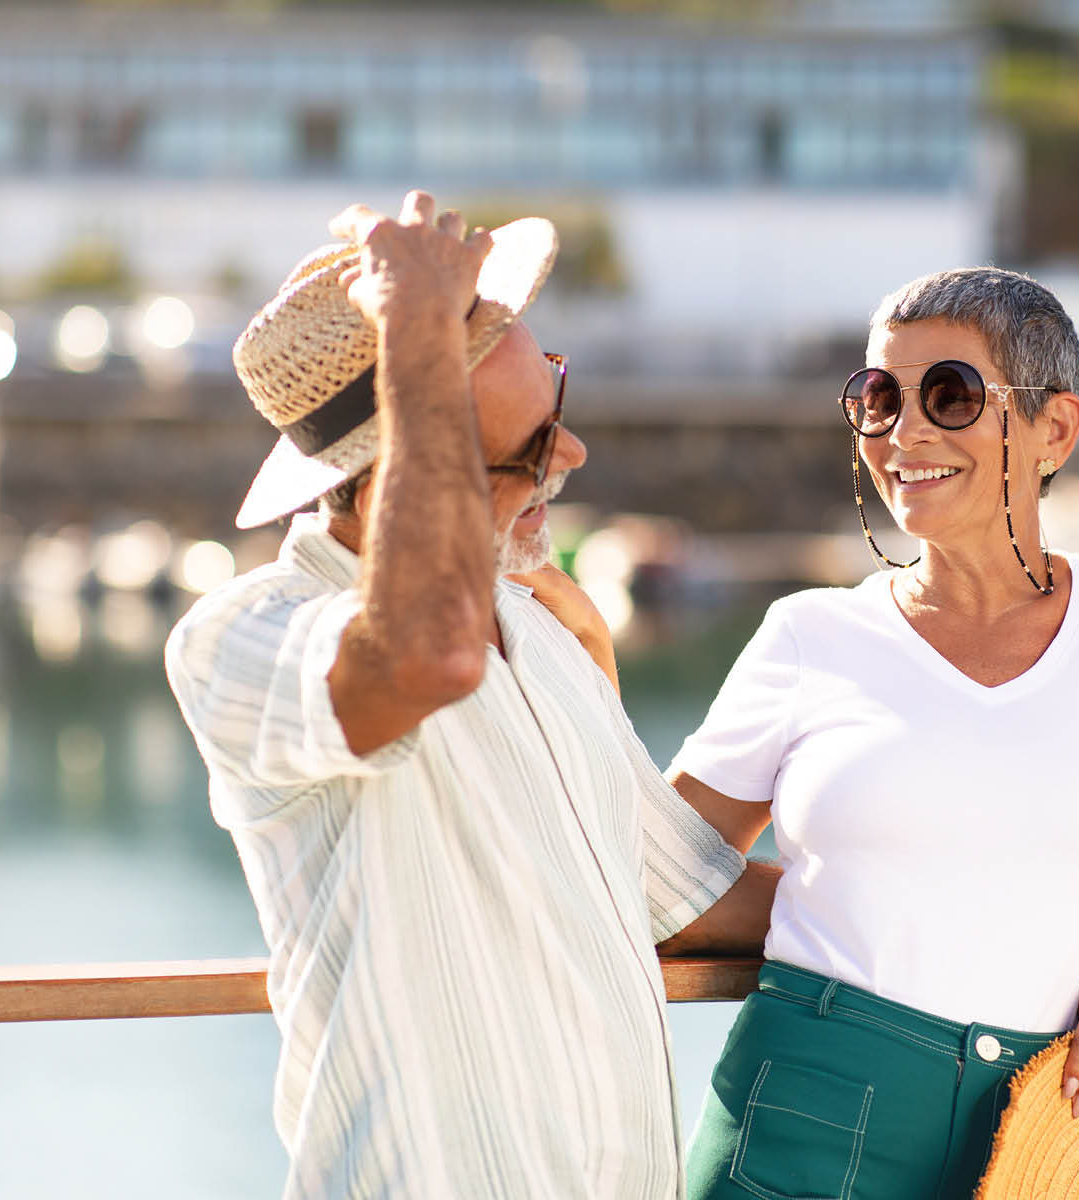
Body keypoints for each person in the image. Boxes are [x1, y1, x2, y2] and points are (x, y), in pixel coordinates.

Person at [165, 191, 775, 1199]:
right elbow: (423, 658)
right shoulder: (238, 637)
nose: (571, 456)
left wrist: (1061, 911)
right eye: (532, 446)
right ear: (401, 465)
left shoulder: (540, 627)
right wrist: (416, 333)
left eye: (558, 408)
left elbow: (687, 903)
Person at [666, 267, 1079, 1199]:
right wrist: (825, 904)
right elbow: (655, 879)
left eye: (948, 395)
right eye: (878, 398)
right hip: (806, 1113)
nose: (904, 432)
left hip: (1049, 1130)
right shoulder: (807, 636)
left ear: (1055, 430)